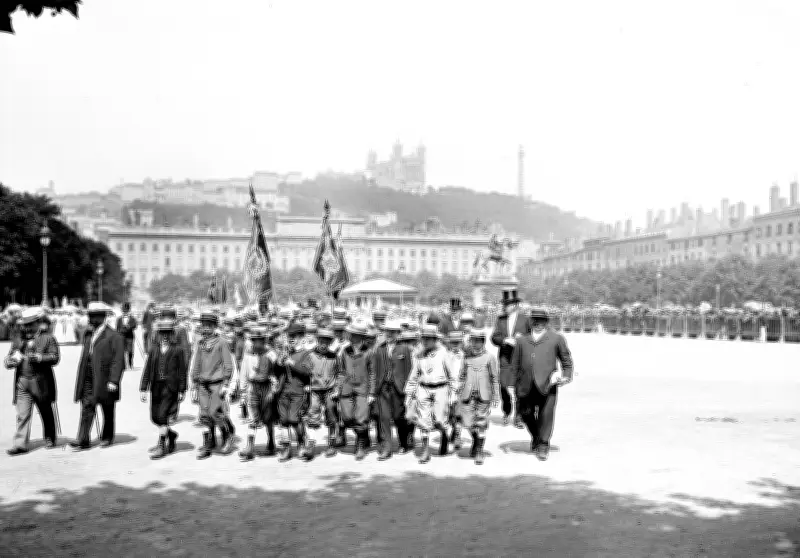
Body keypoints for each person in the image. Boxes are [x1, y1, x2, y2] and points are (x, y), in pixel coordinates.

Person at [510, 308, 574, 461]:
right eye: (535, 320)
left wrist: (565, 376)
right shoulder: (521, 341)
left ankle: (543, 444)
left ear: (547, 322)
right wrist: (514, 385)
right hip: (526, 385)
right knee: (526, 414)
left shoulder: (556, 339)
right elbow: (515, 364)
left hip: (548, 384)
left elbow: (566, 361)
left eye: (542, 321)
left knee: (546, 415)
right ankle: (536, 436)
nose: (538, 324)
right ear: (531, 322)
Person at [4, 307, 60, 455]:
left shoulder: (48, 338)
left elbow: (55, 357)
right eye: (24, 325)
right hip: (22, 381)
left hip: (40, 382)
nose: (26, 328)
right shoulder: (18, 338)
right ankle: (20, 444)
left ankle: (50, 437)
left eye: (29, 325)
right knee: (22, 414)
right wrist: (9, 362)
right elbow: (8, 358)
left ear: (37, 323)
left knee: (45, 411)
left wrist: (41, 358)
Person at [70, 302, 125, 451]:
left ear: (102, 317)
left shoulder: (114, 336)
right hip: (88, 375)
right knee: (87, 405)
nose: (90, 319)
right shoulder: (89, 334)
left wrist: (114, 380)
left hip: (105, 378)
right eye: (90, 315)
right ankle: (83, 439)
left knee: (107, 408)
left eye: (94, 316)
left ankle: (107, 436)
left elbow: (119, 360)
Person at [404, 325, 459, 464]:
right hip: (424, 388)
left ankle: (444, 435)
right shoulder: (419, 355)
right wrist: (409, 394)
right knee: (423, 420)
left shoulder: (444, 353)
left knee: (440, 420)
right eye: (424, 339)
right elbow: (414, 375)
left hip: (441, 388)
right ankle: (425, 451)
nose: (426, 342)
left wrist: (453, 394)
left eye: (429, 339)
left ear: (435, 339)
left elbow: (452, 375)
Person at [139, 318, 187, 460]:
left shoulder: (178, 350)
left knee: (162, 416)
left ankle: (161, 445)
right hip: (156, 386)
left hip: (170, 387)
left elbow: (182, 372)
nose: (165, 336)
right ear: (158, 334)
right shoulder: (153, 350)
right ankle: (171, 435)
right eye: (162, 333)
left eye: (168, 333)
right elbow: (147, 369)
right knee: (154, 417)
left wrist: (182, 390)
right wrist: (143, 388)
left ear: (172, 334)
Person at [191, 312, 235, 459]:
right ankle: (209, 442)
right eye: (204, 326)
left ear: (215, 327)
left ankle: (227, 434)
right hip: (202, 383)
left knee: (215, 412)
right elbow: (196, 363)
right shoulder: (200, 343)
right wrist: (193, 381)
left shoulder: (221, 342)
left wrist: (227, 382)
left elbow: (228, 364)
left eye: (209, 326)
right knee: (204, 414)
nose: (206, 329)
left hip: (217, 383)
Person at [371, 320, 415, 459]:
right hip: (383, 388)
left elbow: (409, 370)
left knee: (398, 417)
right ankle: (387, 448)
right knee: (383, 417)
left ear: (398, 333)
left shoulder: (404, 349)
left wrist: (409, 390)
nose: (390, 334)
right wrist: (373, 391)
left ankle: (404, 441)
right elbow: (374, 370)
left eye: (393, 332)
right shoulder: (379, 349)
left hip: (399, 389)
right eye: (388, 331)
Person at [238, 327, 282, 461]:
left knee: (268, 417)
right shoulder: (248, 355)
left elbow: (277, 373)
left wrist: (274, 390)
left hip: (267, 386)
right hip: (253, 386)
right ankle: (250, 446)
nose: (258, 344)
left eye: (261, 341)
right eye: (255, 341)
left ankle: (271, 442)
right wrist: (243, 393)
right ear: (252, 341)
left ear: (264, 341)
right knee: (252, 416)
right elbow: (244, 374)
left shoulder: (271, 354)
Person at [458, 331, 499, 465]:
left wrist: (496, 395)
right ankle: (475, 440)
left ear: (483, 342)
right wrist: (458, 389)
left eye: (478, 341)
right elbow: (462, 375)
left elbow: (494, 378)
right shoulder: (466, 358)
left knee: (481, 422)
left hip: (484, 395)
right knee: (467, 423)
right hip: (467, 394)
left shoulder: (489, 358)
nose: (475, 344)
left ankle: (479, 450)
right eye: (473, 341)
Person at [335, 322, 374, 461]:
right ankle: (360, 436)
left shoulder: (369, 352)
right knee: (346, 416)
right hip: (346, 388)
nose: (352, 337)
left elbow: (372, 373)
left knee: (361, 418)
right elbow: (341, 371)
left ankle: (360, 446)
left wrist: (372, 393)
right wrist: (338, 387)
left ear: (361, 337)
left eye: (355, 335)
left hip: (363, 389)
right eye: (351, 335)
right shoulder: (345, 351)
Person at [276, 322, 314, 462]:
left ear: (302, 337)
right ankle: (286, 448)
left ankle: (302, 443)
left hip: (298, 391)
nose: (291, 339)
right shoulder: (285, 352)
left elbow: (308, 372)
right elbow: (277, 372)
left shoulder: (306, 353)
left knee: (294, 418)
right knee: (284, 420)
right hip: (283, 391)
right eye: (289, 336)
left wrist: (292, 363)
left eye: (294, 336)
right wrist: (279, 363)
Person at [490, 289, 528, 428]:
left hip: (521, 359)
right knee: (504, 386)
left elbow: (532, 338)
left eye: (507, 305)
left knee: (520, 388)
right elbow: (494, 337)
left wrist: (521, 339)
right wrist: (505, 340)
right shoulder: (500, 320)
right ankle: (506, 411)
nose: (504, 307)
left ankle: (518, 416)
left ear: (515, 305)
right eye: (504, 305)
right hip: (505, 357)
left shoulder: (526, 320)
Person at [304, 328, 342, 457]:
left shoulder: (334, 357)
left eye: (327, 342)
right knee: (312, 414)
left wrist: (337, 389)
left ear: (330, 343)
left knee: (331, 414)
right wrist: (306, 385)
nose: (323, 344)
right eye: (321, 341)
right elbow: (304, 372)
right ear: (317, 341)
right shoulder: (310, 355)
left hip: (330, 391)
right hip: (314, 390)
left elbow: (339, 374)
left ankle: (331, 444)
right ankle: (311, 444)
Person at [444, 331, 467, 450]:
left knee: (459, 414)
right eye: (453, 343)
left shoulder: (464, 356)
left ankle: (457, 434)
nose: (455, 345)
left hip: (460, 388)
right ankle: (453, 429)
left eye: (457, 343)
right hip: (447, 388)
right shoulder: (445, 356)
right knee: (449, 414)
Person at [116, 302, 138, 370]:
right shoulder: (119, 319)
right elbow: (117, 328)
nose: (124, 311)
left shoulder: (132, 318)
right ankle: (123, 365)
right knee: (121, 351)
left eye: (126, 310)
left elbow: (135, 325)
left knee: (130, 351)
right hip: (121, 336)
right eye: (123, 310)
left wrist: (129, 326)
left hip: (130, 336)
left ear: (128, 310)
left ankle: (130, 364)